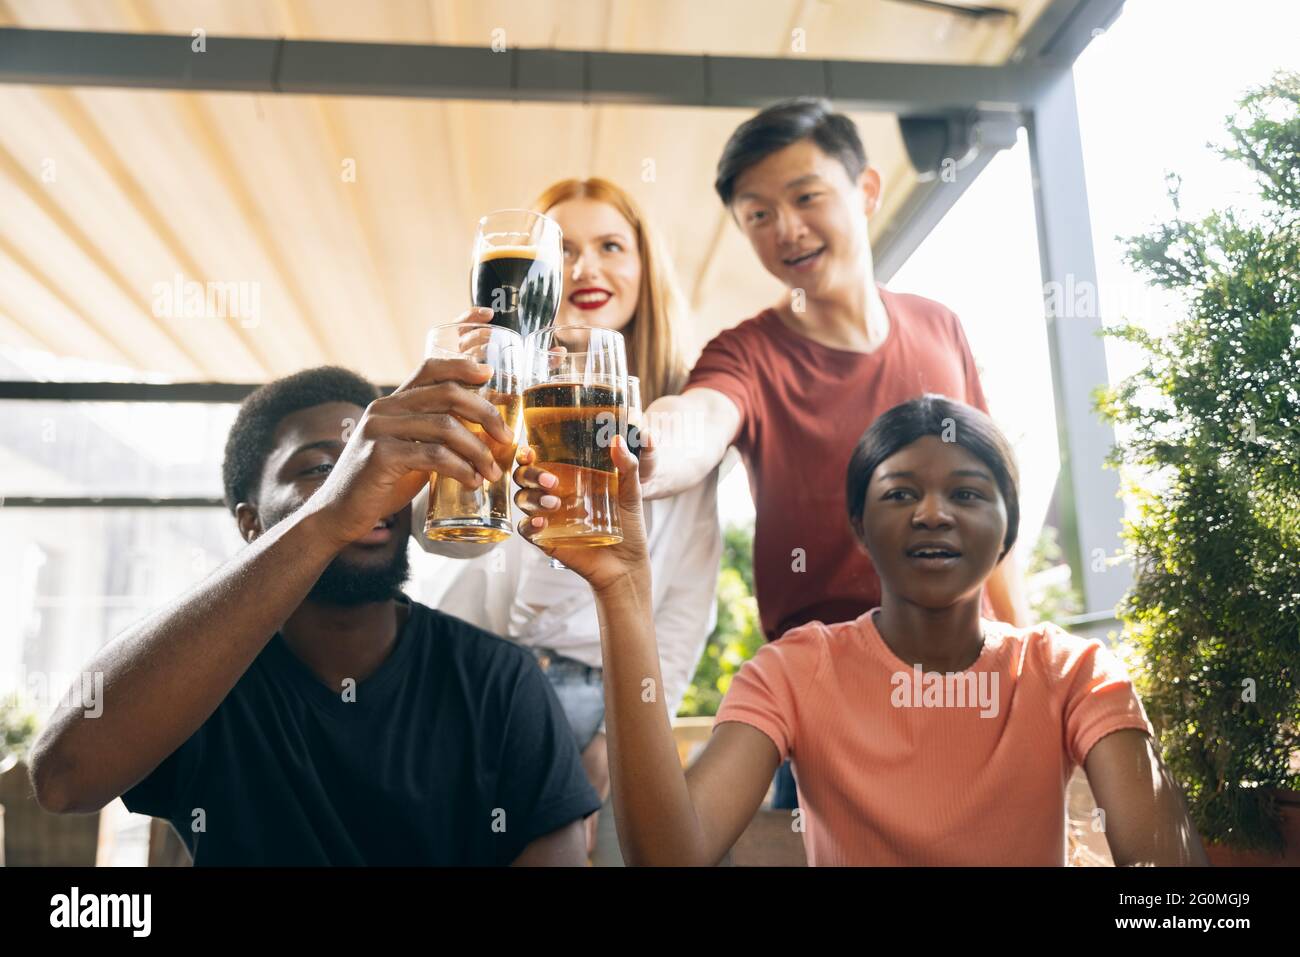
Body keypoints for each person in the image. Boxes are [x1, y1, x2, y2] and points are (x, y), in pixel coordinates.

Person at [510, 394, 1209, 866]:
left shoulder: (1073, 670)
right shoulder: (795, 668)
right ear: (859, 527)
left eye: (967, 492)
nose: (933, 513)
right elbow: (670, 854)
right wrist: (622, 587)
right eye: (899, 492)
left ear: (1009, 530)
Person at [28, 360, 599, 865]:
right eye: (319, 468)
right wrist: (330, 516)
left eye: (372, 461)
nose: (365, 484)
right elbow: (63, 781)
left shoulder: (498, 681)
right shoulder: (202, 676)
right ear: (252, 524)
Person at [635, 96, 1033, 807]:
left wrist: (1028, 664)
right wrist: (647, 442)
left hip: (968, 682)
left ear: (867, 190)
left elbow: (989, 514)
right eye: (757, 214)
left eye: (805, 196)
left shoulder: (941, 325)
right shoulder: (747, 351)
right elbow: (696, 421)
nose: (784, 228)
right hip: (828, 698)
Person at [413, 178, 722, 858]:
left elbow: (684, 612)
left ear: (646, 267)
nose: (585, 268)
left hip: (610, 697)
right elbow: (446, 545)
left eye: (611, 245)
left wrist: (611, 748)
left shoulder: (674, 426)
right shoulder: (495, 391)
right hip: (482, 683)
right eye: (564, 250)